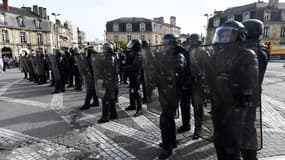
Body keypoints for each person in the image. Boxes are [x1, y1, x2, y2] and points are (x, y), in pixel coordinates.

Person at [207, 20, 259, 160]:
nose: (223, 39)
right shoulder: (218, 54)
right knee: (218, 142)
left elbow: (251, 85)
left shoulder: (247, 55)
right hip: (219, 104)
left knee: (231, 146)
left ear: (239, 36)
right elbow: (211, 76)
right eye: (221, 35)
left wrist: (244, 105)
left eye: (227, 35)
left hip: (236, 106)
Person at [241, 19, 269, 160]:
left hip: (248, 93)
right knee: (246, 123)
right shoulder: (260, 48)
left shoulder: (253, 50)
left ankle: (250, 155)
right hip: (251, 92)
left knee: (248, 125)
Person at [157, 33, 186, 159]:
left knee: (165, 119)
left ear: (173, 44)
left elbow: (178, 68)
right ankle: (172, 142)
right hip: (165, 90)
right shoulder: (165, 56)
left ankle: (167, 147)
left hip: (174, 91)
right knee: (168, 118)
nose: (165, 47)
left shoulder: (179, 55)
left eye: (167, 44)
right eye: (164, 44)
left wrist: (163, 68)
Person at [187, 33, 205, 139]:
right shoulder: (189, 51)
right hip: (191, 83)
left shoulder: (203, 52)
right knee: (194, 107)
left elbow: (207, 68)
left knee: (198, 108)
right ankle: (192, 126)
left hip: (199, 84)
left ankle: (198, 129)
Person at [97, 43, 118, 123]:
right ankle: (113, 113)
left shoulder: (109, 58)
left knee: (106, 98)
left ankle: (105, 116)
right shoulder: (111, 57)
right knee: (111, 98)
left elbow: (108, 71)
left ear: (107, 50)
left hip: (108, 80)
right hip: (110, 80)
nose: (103, 51)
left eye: (104, 49)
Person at [122, 39, 143, 117]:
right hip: (132, 75)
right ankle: (132, 105)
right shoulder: (134, 53)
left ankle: (139, 110)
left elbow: (135, 66)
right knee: (132, 91)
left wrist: (125, 68)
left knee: (137, 92)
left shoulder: (138, 55)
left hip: (136, 76)